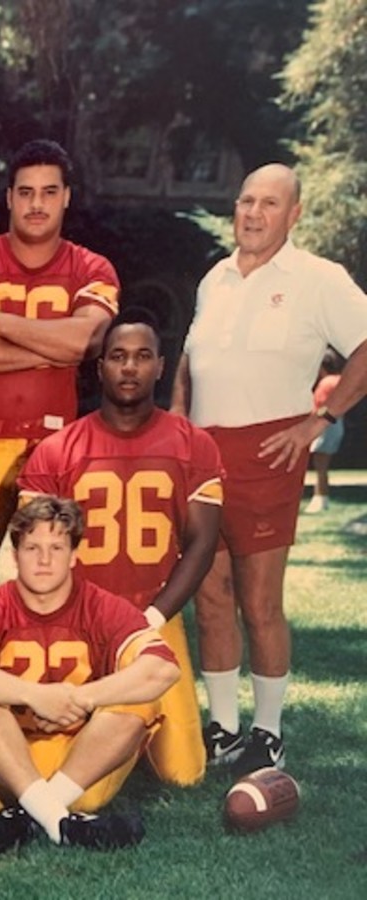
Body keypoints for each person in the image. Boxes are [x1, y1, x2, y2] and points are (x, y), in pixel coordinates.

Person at [171, 163, 367, 775]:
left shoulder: (318, 278)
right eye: (246, 201)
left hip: (268, 452)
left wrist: (319, 419)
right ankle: (224, 726)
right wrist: (177, 422)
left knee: (259, 602)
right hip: (202, 454)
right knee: (209, 595)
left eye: (270, 203)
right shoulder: (215, 278)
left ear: (294, 214)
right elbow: (190, 359)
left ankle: (268, 732)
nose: (253, 214)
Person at [19, 308, 223, 786]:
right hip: (77, 620)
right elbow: (37, 554)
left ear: (160, 366)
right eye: (118, 356)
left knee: (184, 773)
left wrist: (150, 620)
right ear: (100, 368)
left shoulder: (195, 444)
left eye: (142, 356)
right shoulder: (58, 449)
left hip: (154, 616)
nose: (129, 367)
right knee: (58, 744)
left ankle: (124, 724)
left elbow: (202, 542)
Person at [0, 497, 179, 854]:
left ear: (74, 555)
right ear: (15, 555)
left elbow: (162, 667)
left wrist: (81, 698)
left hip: (80, 764)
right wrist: (34, 696)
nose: (44, 560)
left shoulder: (101, 605)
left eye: (57, 547)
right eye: (32, 547)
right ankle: (60, 820)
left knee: (139, 700)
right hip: (4, 763)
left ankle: (29, 817)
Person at [0, 139, 119, 545]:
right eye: (26, 192)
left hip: (53, 446)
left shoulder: (91, 267)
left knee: (46, 572)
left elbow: (84, 341)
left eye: (49, 192)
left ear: (66, 197)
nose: (37, 204)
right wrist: (51, 348)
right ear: (9, 198)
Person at [305, 349, 345, 514]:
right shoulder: (340, 380)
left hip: (327, 425)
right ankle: (321, 497)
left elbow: (323, 407)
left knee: (320, 464)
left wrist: (313, 418)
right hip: (336, 425)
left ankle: (320, 498)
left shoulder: (327, 382)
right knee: (322, 464)